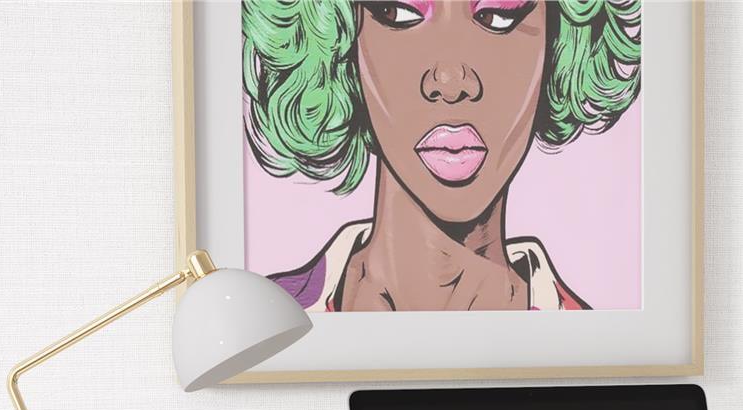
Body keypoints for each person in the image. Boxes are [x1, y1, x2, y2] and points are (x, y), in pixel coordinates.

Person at [244, 0, 641, 312]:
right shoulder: (263, 328)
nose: (450, 81)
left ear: (558, 43)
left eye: (499, 17)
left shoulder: (600, 360)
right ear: (340, 39)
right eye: (397, 12)